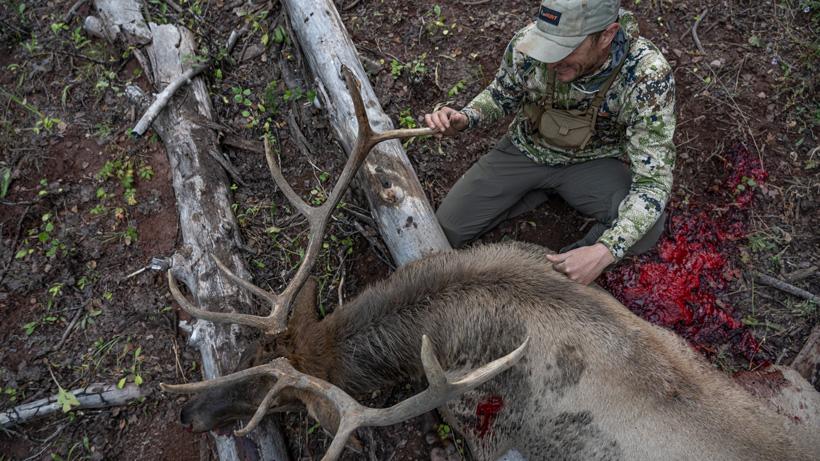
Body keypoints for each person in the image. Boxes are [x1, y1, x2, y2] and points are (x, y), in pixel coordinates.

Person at [424, 0, 676, 285]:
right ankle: (535, 191)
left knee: (649, 229)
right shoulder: (528, 44)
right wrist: (466, 117)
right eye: (548, 46)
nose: (552, 61)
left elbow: (653, 182)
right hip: (525, 150)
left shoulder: (646, 76)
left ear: (606, 35)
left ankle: (560, 272)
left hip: (591, 162)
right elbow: (501, 94)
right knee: (445, 230)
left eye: (565, 49)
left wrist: (605, 249)